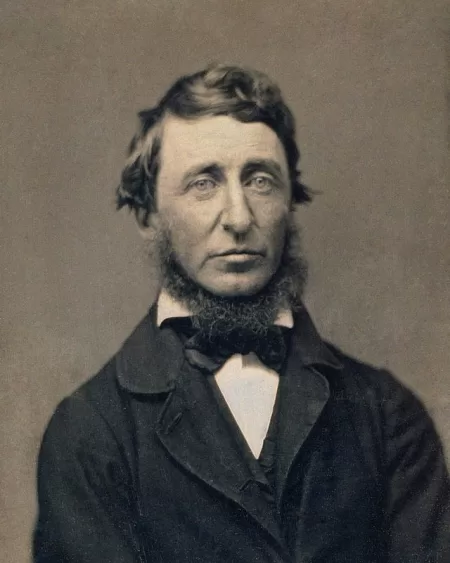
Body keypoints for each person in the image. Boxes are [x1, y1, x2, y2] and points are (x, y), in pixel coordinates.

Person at [33, 64, 450, 563]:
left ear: (290, 202)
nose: (238, 217)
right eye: (203, 183)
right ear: (148, 214)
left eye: (260, 180)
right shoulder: (88, 433)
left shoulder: (386, 414)